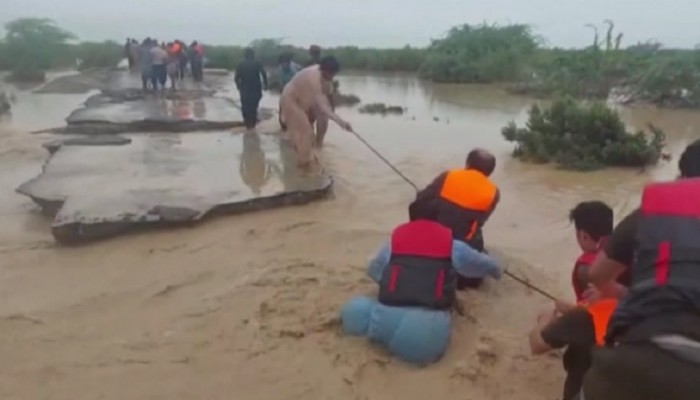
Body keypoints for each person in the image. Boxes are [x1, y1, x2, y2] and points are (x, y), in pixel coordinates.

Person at [582, 140, 700, 400]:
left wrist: (624, 293)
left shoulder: (657, 208)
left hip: (641, 356)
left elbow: (597, 274)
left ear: (683, 177)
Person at [341, 200, 502, 365]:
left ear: (411, 218)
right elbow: (481, 265)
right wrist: (498, 270)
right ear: (438, 219)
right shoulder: (452, 245)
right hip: (422, 337)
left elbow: (373, 269)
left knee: (358, 306)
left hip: (382, 320)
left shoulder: (392, 242)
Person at [412, 148, 500, 290]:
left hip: (433, 237)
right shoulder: (493, 192)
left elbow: (422, 201)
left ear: (467, 163)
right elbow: (480, 221)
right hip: (462, 245)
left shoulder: (448, 175)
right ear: (490, 172)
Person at [529, 298, 618, 400]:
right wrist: (575, 310)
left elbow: (537, 345)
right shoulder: (633, 309)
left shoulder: (580, 318)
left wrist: (544, 319)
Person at [279, 56, 352, 167]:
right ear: (323, 70)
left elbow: (329, 97)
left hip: (305, 101)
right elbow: (323, 107)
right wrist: (342, 122)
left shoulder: (326, 80)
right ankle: (303, 165)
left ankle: (310, 156)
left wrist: (335, 114)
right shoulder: (314, 79)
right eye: (331, 73)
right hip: (290, 100)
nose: (332, 77)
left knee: (310, 131)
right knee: (306, 133)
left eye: (334, 74)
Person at [568, 201, 630, 302]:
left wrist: (564, 307)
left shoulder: (584, 268)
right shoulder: (627, 252)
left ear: (583, 235)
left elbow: (588, 311)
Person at [234, 48, 268, 130]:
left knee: (245, 107)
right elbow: (264, 74)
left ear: (245, 56)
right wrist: (265, 84)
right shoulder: (257, 63)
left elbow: (236, 78)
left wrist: (238, 86)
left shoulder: (240, 64)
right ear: (253, 55)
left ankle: (247, 124)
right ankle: (252, 125)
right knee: (254, 107)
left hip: (244, 89)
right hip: (256, 89)